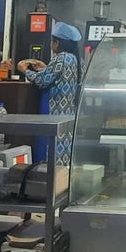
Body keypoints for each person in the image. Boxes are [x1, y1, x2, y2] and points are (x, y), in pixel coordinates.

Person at [20, 21, 81, 165]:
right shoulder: (76, 59)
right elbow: (59, 76)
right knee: (63, 149)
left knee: (48, 147)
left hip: (54, 111)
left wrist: (24, 70)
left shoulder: (60, 58)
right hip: (67, 114)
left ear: (57, 43)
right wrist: (46, 68)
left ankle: (46, 173)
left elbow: (42, 81)